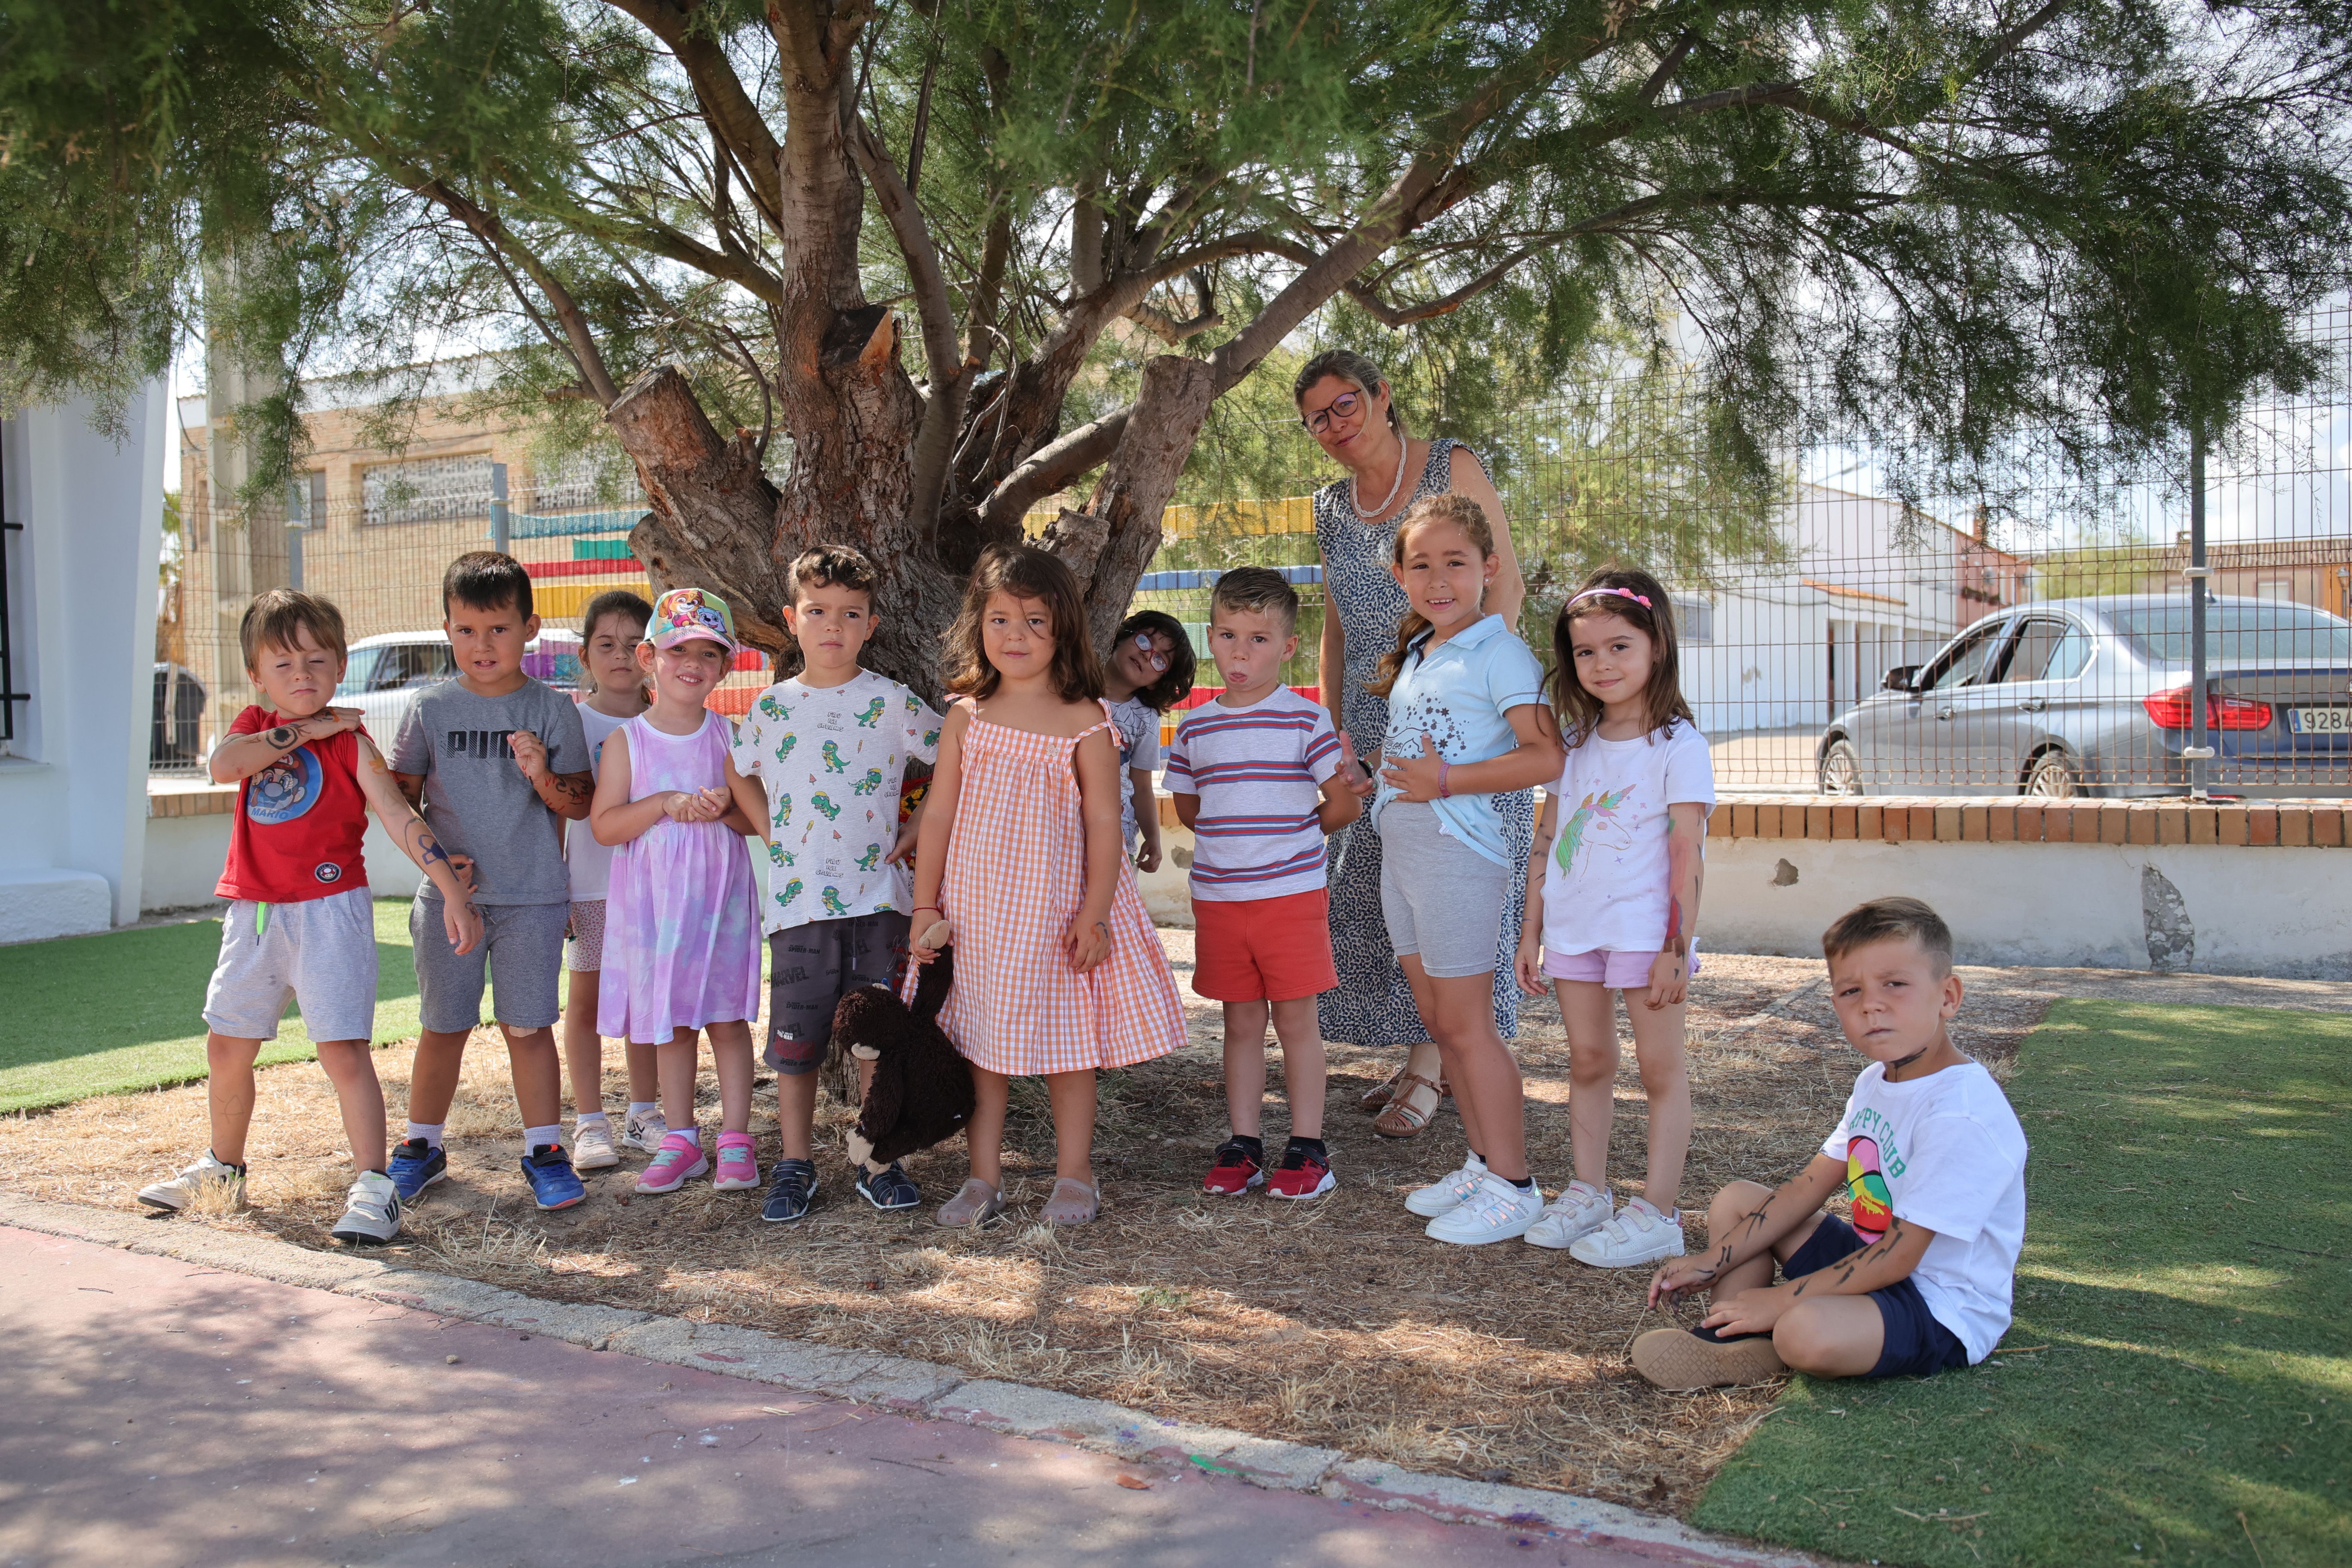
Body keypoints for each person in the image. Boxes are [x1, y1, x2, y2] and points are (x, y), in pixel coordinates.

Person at [138, 590, 481, 1244]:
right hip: (255, 914)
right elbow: (223, 767)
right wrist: (306, 730)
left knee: (342, 1051)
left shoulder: (352, 744)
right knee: (227, 1044)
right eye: (285, 664)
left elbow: (401, 819)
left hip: (330, 914)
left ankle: (374, 1188)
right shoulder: (251, 726)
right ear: (258, 676)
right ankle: (223, 1167)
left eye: (317, 661)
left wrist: (452, 892)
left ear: (340, 665)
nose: (303, 676)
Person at [1635, 897, 2028, 1389]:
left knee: (1805, 1332)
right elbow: (1806, 1189)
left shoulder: (1961, 1113)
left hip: (1940, 1306)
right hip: (1866, 1265)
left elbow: (1902, 1256)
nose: (1871, 1004)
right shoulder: (1874, 1082)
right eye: (1850, 991)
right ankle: (1727, 1339)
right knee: (1738, 1201)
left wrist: (1782, 1300)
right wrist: (1711, 1262)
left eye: (1896, 985)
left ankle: (1772, 1330)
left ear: (1948, 996)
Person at [905, 544, 1188, 1227]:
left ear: (1062, 628)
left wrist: (1095, 914)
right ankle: (983, 1179)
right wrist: (923, 906)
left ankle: (1075, 1177)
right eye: (1000, 619)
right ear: (978, 626)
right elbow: (937, 812)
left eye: (1035, 621)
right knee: (981, 1049)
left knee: (1070, 1050)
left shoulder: (1086, 721)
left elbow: (1102, 827)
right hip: (977, 915)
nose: (1016, 636)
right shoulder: (967, 715)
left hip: (1058, 915)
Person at [1297, 349, 1532, 1142]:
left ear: (1380, 395)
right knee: (1388, 895)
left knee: (1448, 889)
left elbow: (1506, 584)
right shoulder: (1330, 505)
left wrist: (1470, 681)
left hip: (1457, 718)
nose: (1335, 424)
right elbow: (1334, 623)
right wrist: (1331, 726)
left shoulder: (1449, 464)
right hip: (1376, 722)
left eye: (1345, 403)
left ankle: (1437, 1067)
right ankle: (1420, 1052)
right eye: (1317, 416)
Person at [1370, 493, 1565, 1244]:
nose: (1438, 578)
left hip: (1458, 855)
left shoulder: (1499, 650)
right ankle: (1484, 1163)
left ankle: (1514, 1184)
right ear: (1399, 574)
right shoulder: (1422, 652)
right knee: (1440, 1020)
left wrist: (1442, 782)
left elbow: (1545, 755)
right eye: (1421, 564)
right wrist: (1377, 779)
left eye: (1455, 561)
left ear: (1489, 568)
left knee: (1469, 1025)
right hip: (1405, 852)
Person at [730, 545, 943, 1223]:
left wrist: (915, 833)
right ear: (792, 621)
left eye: (850, 614)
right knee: (796, 1042)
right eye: (818, 612)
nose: (833, 626)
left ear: (871, 625)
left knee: (876, 1037)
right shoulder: (772, 707)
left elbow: (952, 757)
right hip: (797, 909)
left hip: (879, 901)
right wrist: (770, 832)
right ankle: (795, 1163)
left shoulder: (889, 699)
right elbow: (738, 771)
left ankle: (876, 1155)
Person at [1513, 568, 1715, 1266]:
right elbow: (1547, 839)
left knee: (1660, 1070)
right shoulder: (1572, 744)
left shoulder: (1678, 746)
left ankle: (1658, 1210)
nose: (1601, 663)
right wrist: (1531, 928)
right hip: (1573, 932)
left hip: (1643, 935)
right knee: (1589, 1059)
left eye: (1619, 646)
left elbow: (1687, 853)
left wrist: (1673, 945)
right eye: (1585, 651)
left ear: (1657, 645)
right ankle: (1588, 1189)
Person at [390, 552, 596, 1211]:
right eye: (467, 630)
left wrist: (540, 775)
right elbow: (402, 804)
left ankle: (545, 1151)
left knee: (529, 1028)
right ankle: (421, 1148)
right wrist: (439, 867)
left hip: (533, 899)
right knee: (442, 1026)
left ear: (530, 627)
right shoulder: (428, 708)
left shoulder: (553, 710)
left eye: (499, 629)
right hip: (452, 903)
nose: (483, 646)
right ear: (446, 629)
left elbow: (581, 803)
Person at [1165, 568, 1362, 1200]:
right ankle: (1243, 1143)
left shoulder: (1307, 720)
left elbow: (1343, 806)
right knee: (1241, 1022)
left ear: (1288, 646)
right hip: (1221, 900)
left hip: (1291, 898)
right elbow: (1193, 810)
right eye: (1227, 635)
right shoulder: (1194, 728)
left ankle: (1308, 1149)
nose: (1240, 652)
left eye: (1258, 638)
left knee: (1297, 1020)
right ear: (1211, 638)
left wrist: (1293, 839)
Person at [589, 588, 769, 1198]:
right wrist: (665, 803)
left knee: (724, 1019)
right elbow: (606, 826)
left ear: (724, 666)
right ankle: (681, 1140)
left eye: (708, 653)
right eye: (678, 649)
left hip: (721, 904)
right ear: (648, 657)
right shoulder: (628, 742)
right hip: (656, 912)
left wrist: (724, 811)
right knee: (671, 1024)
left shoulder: (730, 738)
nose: (693, 663)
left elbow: (755, 821)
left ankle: (737, 1141)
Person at [559, 588, 662, 1170]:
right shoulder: (572, 721)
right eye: (606, 644)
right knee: (588, 998)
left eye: (633, 644)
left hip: (656, 888)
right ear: (585, 654)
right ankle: (591, 1121)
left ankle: (645, 1112)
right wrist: (559, 888)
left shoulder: (668, 718)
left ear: (652, 653)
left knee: (646, 1000)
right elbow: (558, 810)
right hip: (592, 885)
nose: (620, 655)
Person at [1103, 609, 1194, 873]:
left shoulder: (1146, 718)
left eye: (1160, 660)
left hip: (1117, 836)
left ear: (1158, 681)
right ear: (1121, 636)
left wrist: (1153, 839)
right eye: (1145, 641)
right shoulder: (1071, 689)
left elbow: (1142, 786)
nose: (1147, 654)